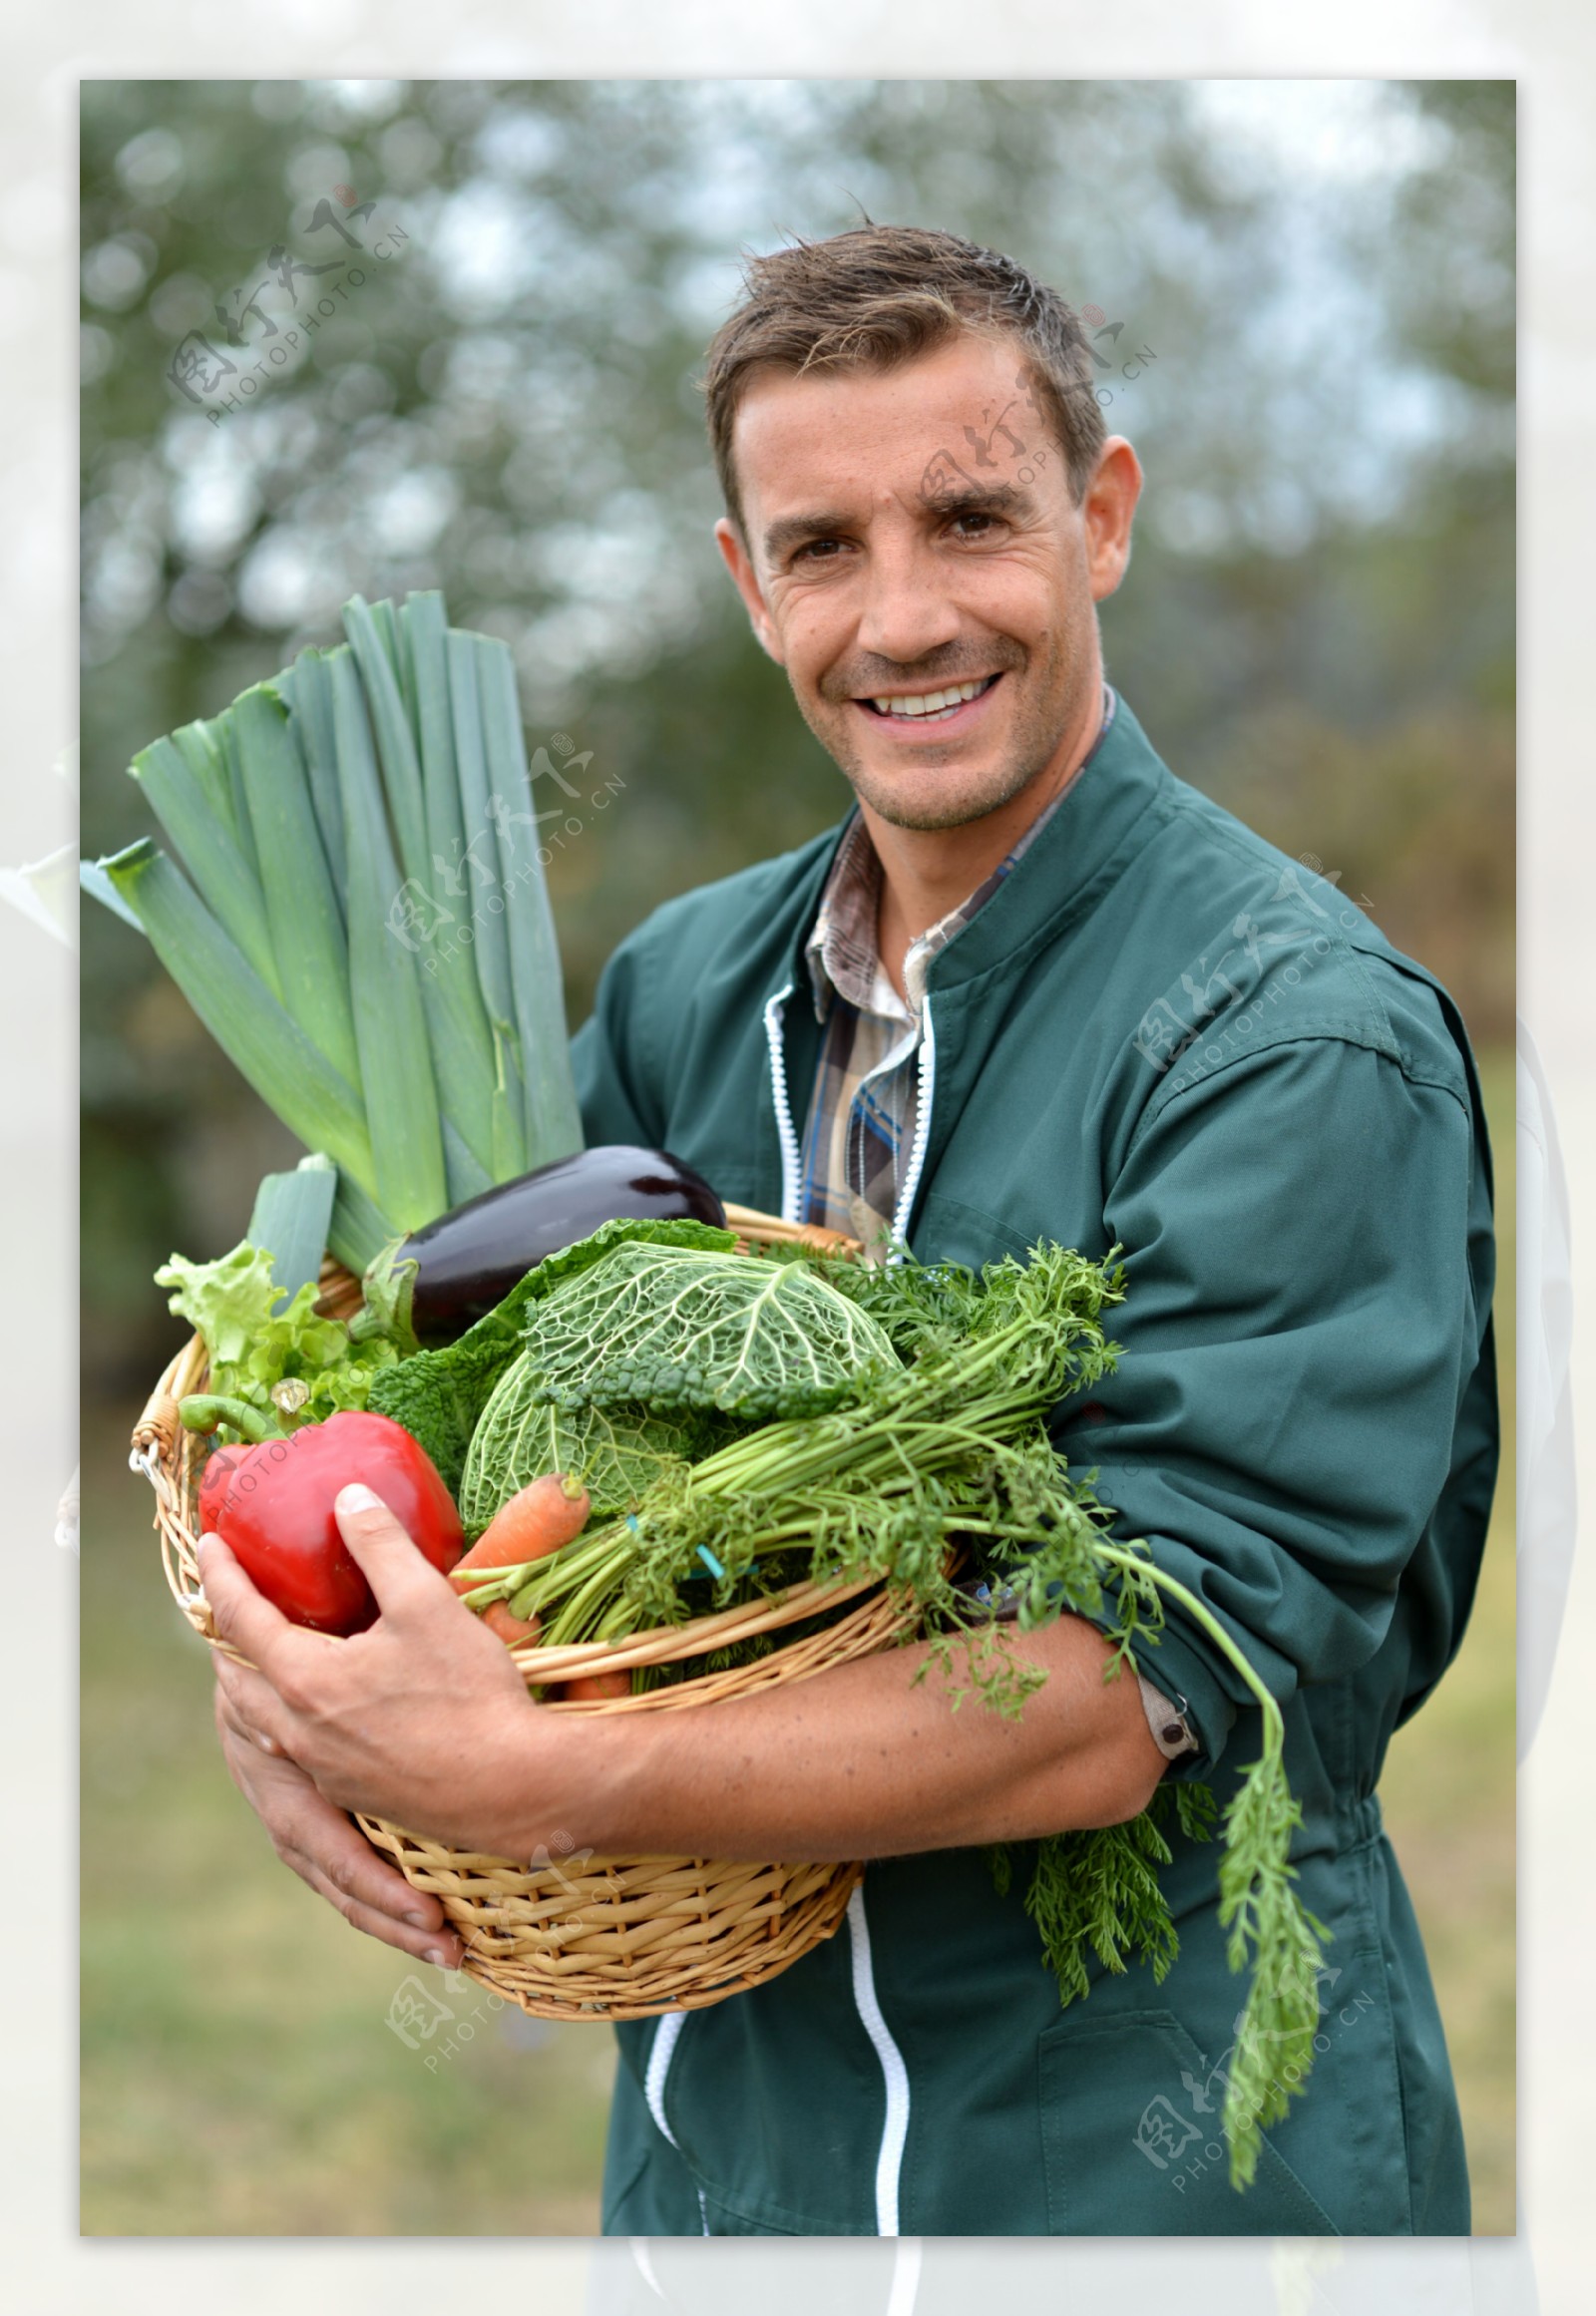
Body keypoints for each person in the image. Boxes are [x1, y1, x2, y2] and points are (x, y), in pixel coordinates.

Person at [202, 225, 1498, 2237]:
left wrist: (549, 1787)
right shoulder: (679, 990)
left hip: (1155, 2181)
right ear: (745, 582)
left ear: (1101, 516)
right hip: (728, 2176)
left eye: (969, 519)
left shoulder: (1290, 1037)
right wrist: (291, 1690)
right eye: (819, 547)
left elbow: (1127, 1686)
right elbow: (446, 1451)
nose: (898, 619)